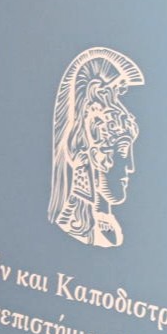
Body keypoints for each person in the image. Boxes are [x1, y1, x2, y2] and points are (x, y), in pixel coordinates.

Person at [48, 46, 144, 248]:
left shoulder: (111, 227)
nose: (131, 167)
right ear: (95, 154)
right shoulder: (74, 225)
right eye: (123, 151)